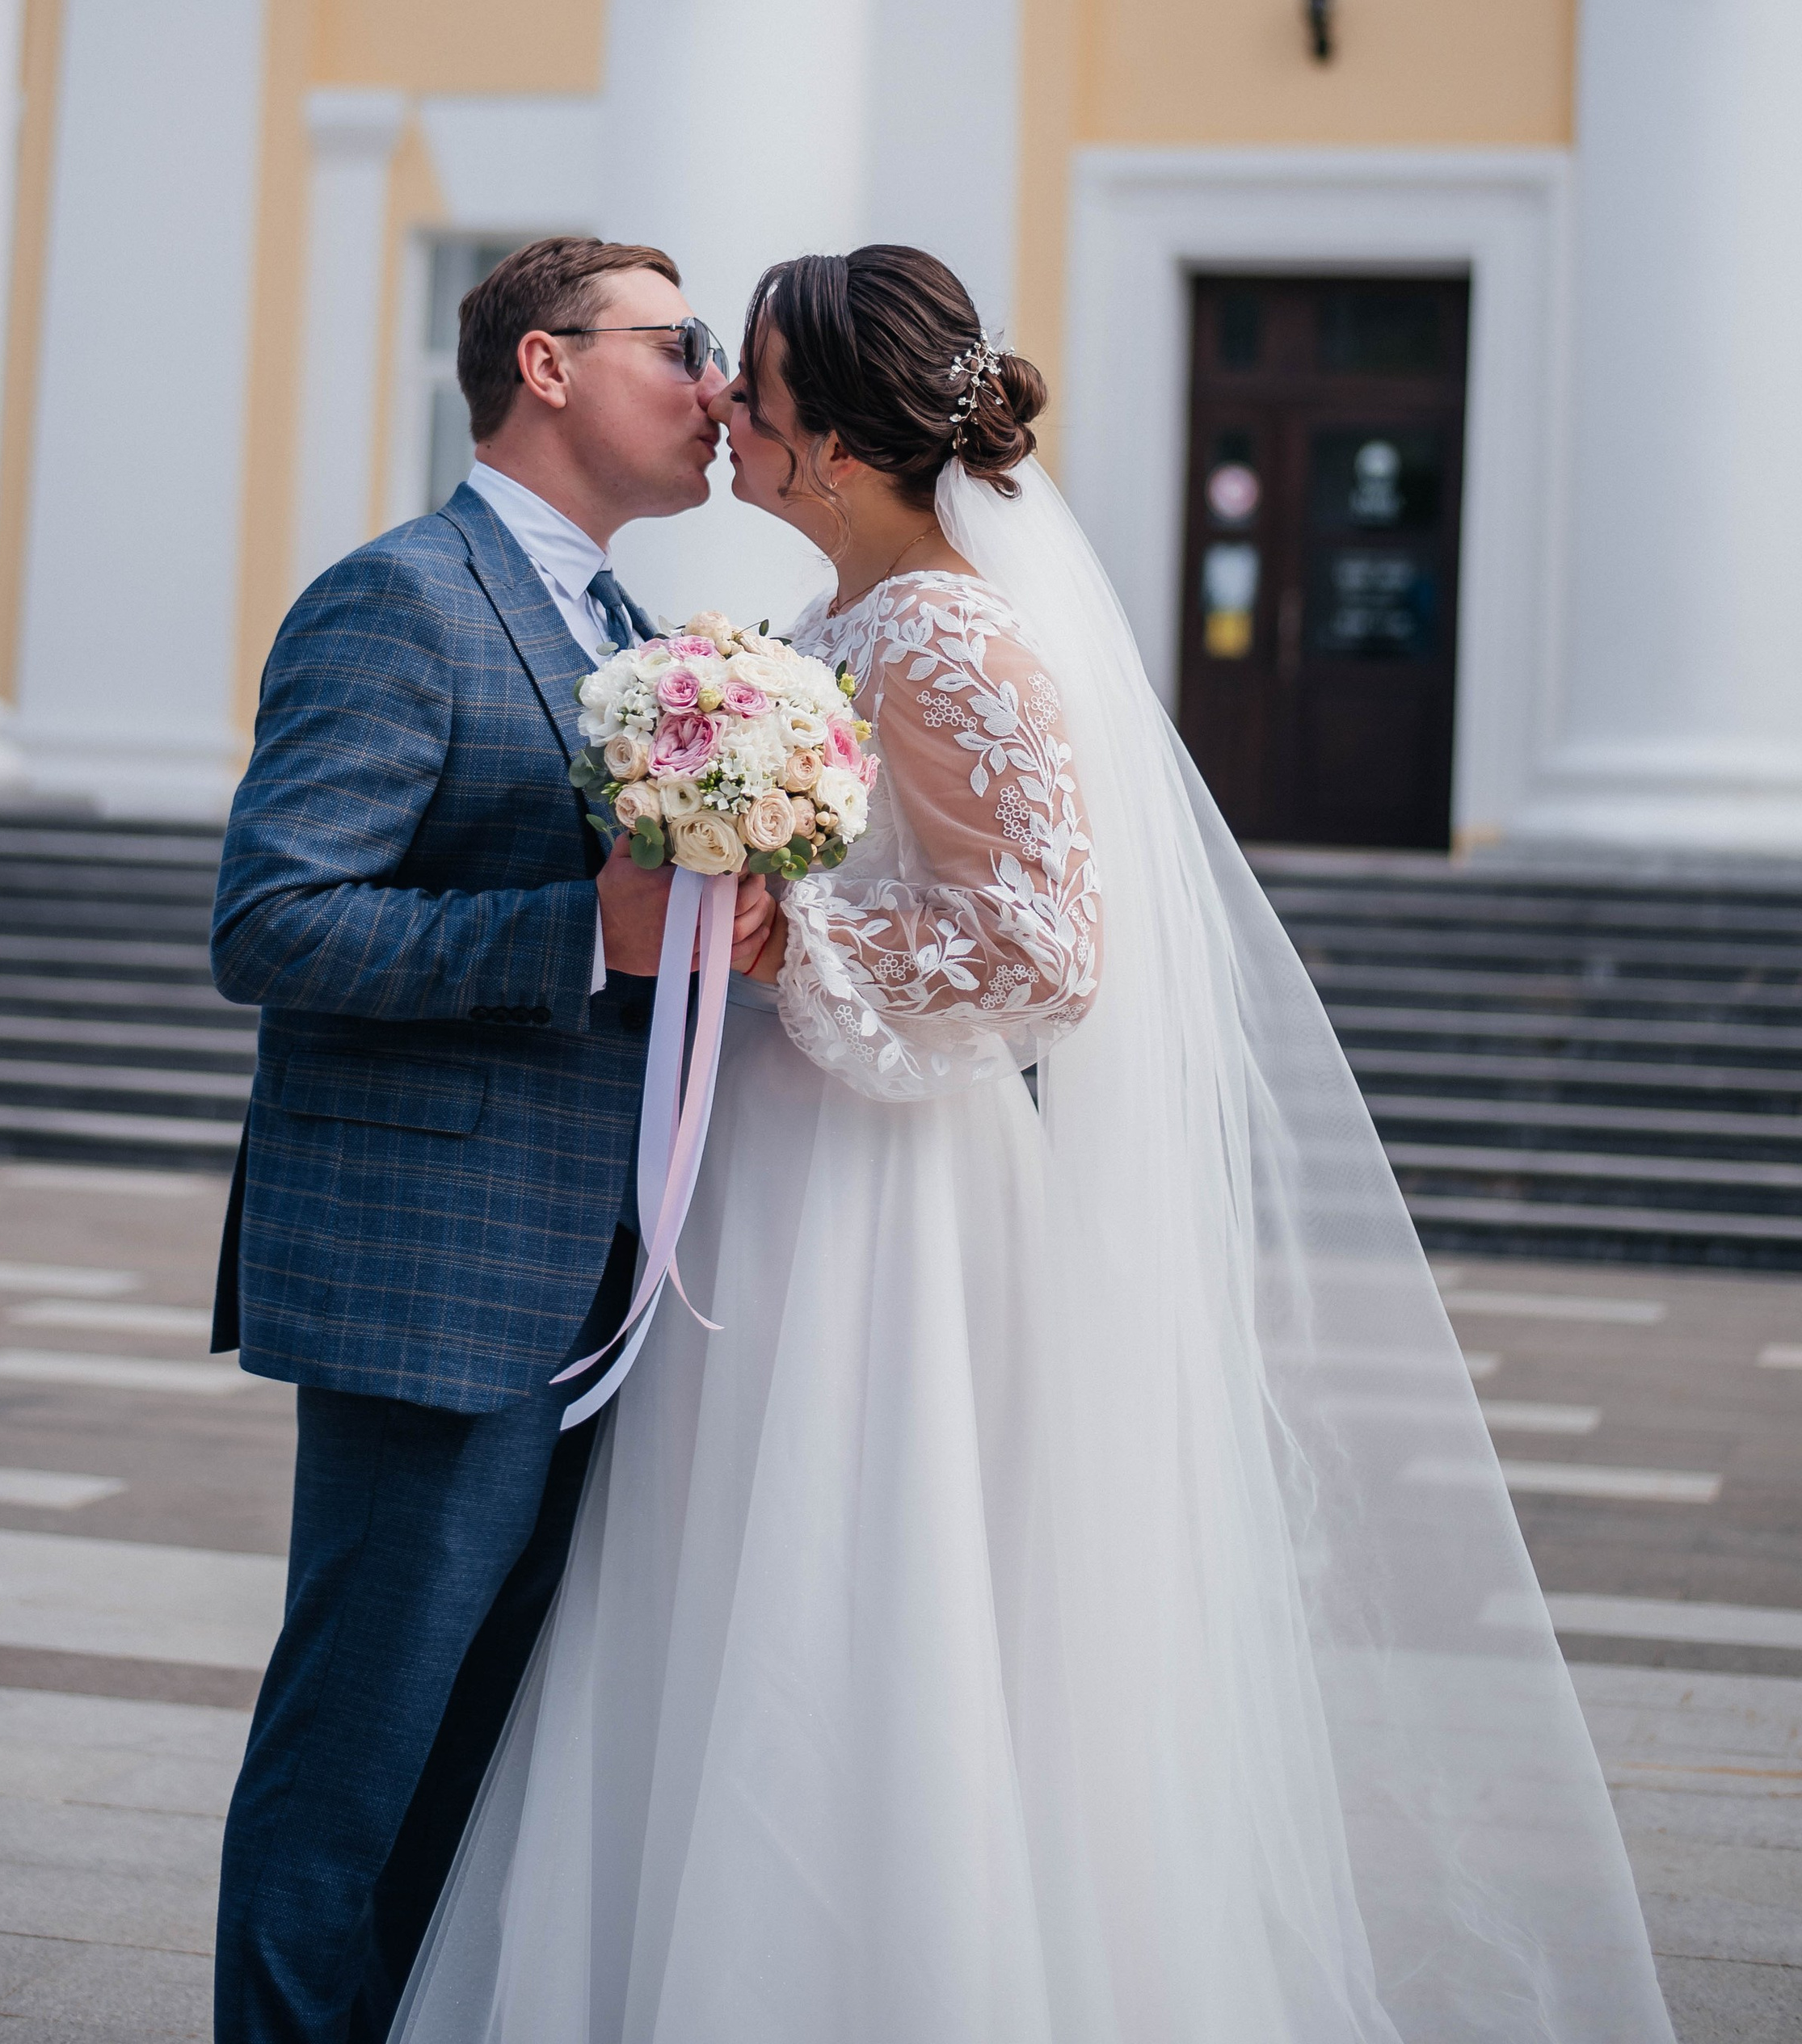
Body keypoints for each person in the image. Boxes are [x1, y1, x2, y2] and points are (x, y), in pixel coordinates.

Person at [395, 244, 1672, 2044]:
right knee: (718, 1594)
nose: (725, 413)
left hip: (882, 1193)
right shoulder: (827, 631)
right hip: (770, 1162)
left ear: (828, 440)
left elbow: (1049, 950)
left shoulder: (943, 629)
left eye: (747, 385)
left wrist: (789, 938)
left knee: (857, 1597)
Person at [208, 236, 773, 2044]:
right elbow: (271, 920)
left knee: (473, 1778)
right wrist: (576, 935)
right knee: (352, 1773)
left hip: (597, 1289)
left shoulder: (634, 631)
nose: (711, 385)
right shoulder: (400, 598)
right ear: (543, 365)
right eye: (678, 342)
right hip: (427, 1286)